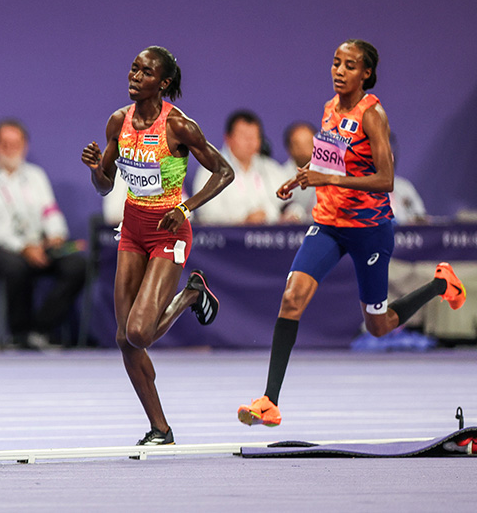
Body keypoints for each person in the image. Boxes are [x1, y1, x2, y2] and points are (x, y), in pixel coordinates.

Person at [237, 40, 467, 427]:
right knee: (292, 297)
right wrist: (299, 180)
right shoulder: (329, 108)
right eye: (336, 63)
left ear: (367, 74)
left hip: (369, 230)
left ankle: (440, 285)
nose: (339, 71)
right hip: (328, 223)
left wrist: (328, 177)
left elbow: (386, 178)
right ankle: (269, 401)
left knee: (378, 327)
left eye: (350, 66)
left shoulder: (373, 114)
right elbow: (327, 159)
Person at [81, 46, 234, 446]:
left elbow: (224, 171)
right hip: (132, 228)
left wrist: (186, 207)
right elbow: (104, 186)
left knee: (139, 333)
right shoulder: (119, 121)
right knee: (123, 338)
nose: (134, 76)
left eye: (144, 72)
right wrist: (97, 166)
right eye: (132, 68)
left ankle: (189, 296)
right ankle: (160, 429)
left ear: (163, 83)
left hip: (169, 230)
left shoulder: (179, 126)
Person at [0, 119, 87, 349]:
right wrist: (22, 247)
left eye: (16, 143)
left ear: (25, 146)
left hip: (37, 246)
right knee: (16, 266)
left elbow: (50, 211)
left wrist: (56, 235)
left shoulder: (35, 175)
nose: (10, 149)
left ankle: (40, 329)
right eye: (4, 143)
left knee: (76, 265)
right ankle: (18, 334)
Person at [191, 110, 286, 224]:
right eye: (244, 136)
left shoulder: (270, 168)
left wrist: (292, 214)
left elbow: (289, 203)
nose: (250, 142)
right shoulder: (210, 169)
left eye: (255, 136)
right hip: (230, 238)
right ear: (228, 138)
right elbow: (207, 213)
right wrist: (243, 220)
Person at [279, 121, 318, 223]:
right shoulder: (278, 175)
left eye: (308, 143)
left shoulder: (330, 175)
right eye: (297, 144)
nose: (303, 149)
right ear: (289, 147)